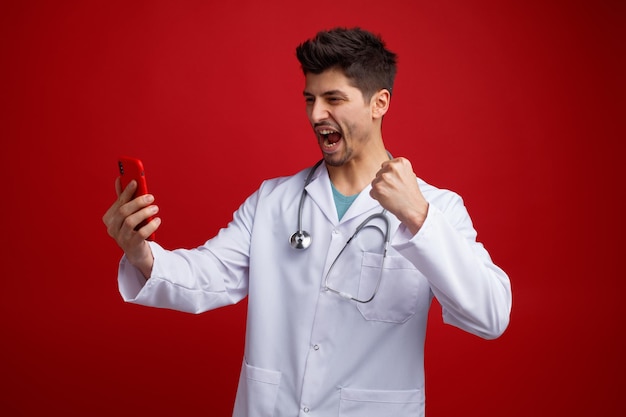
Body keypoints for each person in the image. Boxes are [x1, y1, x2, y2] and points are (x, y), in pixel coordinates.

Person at [103, 27, 512, 417]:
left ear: (379, 103)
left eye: (333, 99)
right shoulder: (273, 202)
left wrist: (418, 218)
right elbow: (208, 277)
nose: (317, 115)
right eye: (309, 99)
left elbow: (490, 316)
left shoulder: (437, 208)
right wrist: (141, 254)